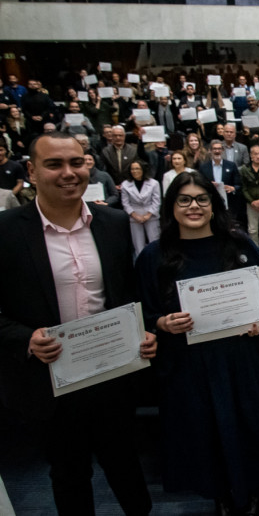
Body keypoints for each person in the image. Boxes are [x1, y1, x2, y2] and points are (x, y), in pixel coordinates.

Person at [0, 132, 156, 515]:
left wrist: (144, 330)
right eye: (54, 164)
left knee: (125, 465)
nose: (69, 173)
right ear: (32, 172)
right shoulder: (6, 231)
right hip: (50, 379)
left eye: (76, 162)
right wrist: (26, 339)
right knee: (69, 474)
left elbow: (127, 294)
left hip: (112, 373)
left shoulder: (114, 223)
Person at [135, 171, 259, 515]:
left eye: (202, 199)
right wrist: (162, 323)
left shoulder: (239, 245)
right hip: (189, 363)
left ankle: (253, 489)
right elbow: (143, 314)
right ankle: (220, 492)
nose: (194, 206)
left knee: (249, 423)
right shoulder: (153, 256)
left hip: (241, 357)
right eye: (184, 199)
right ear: (171, 206)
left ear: (213, 204)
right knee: (205, 430)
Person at [120, 160, 160, 256]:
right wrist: (134, 215)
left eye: (137, 168)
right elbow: (125, 203)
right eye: (132, 169)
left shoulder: (154, 183)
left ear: (143, 170)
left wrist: (148, 215)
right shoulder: (125, 184)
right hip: (134, 216)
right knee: (138, 244)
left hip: (151, 215)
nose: (134, 171)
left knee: (154, 241)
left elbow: (157, 201)